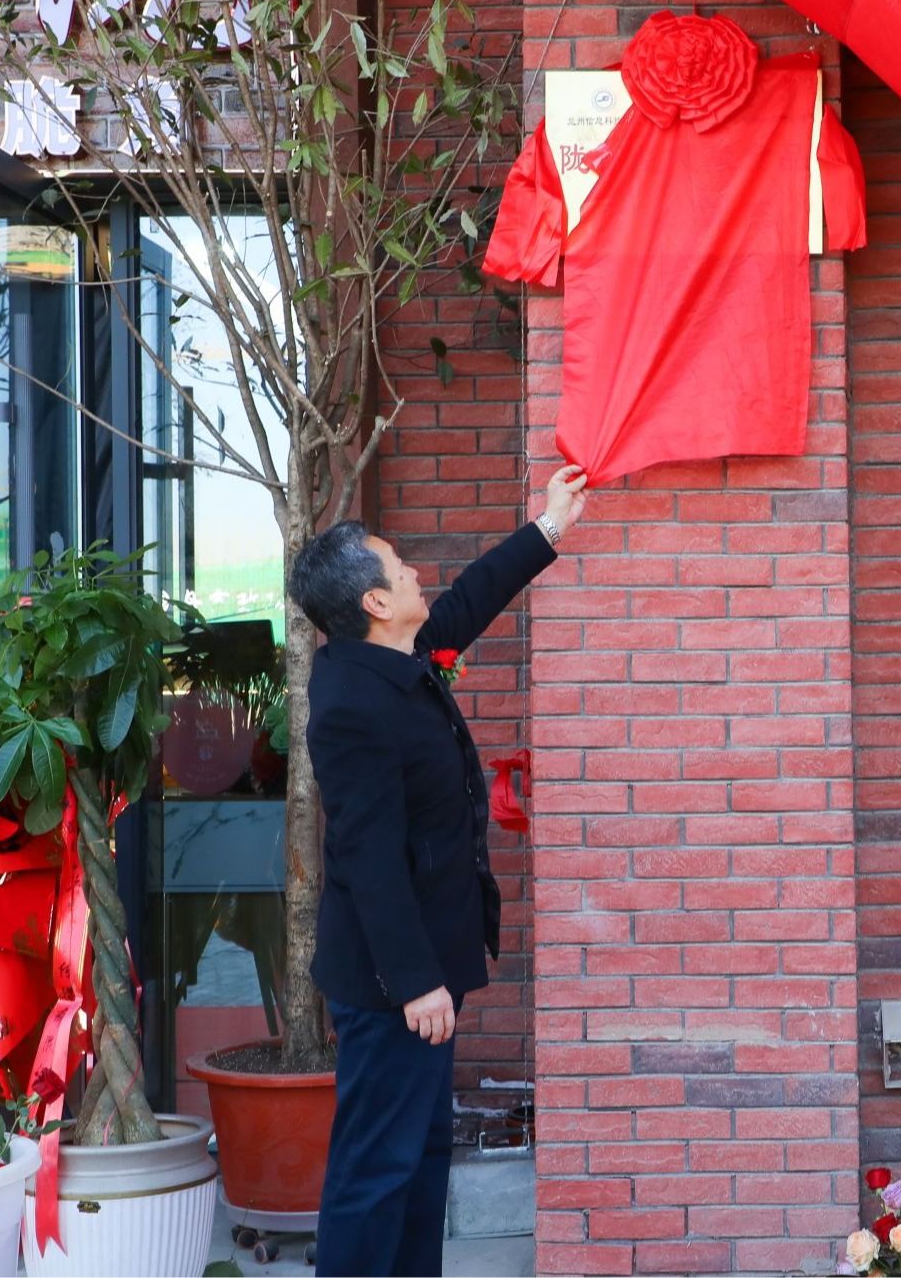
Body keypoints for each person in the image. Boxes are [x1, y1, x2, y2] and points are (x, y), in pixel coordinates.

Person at [293, 465, 588, 1278]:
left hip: (426, 970)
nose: (418, 571)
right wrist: (417, 981)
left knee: (420, 1163)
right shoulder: (351, 702)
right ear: (374, 603)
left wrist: (550, 525)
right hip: (395, 983)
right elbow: (367, 855)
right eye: (400, 565)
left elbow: (468, 601)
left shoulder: (398, 654)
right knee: (374, 1172)